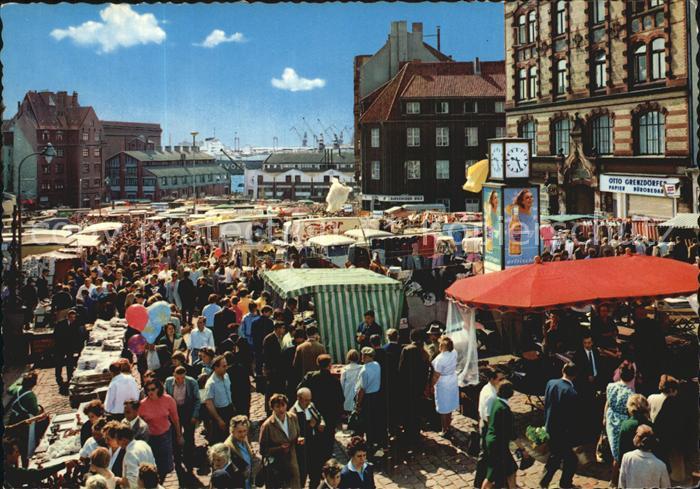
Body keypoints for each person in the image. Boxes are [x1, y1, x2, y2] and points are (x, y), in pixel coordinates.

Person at [298, 354, 344, 463]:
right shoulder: (334, 380)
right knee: (328, 440)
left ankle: (316, 458)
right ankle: (327, 460)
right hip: (329, 415)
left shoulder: (310, 376)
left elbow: (299, 389)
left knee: (315, 438)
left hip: (313, 413)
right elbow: (341, 399)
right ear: (330, 365)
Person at [540, 362, 579, 489]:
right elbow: (571, 418)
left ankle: (547, 481)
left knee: (556, 458)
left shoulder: (551, 383)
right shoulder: (571, 392)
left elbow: (546, 404)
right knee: (567, 460)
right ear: (575, 375)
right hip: (562, 433)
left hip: (549, 426)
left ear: (563, 370)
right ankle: (561, 483)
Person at [139, 378, 182, 482]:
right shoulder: (142, 405)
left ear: (158, 388)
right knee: (153, 463)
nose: (151, 392)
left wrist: (179, 435)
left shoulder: (168, 400)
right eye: (148, 390)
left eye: (153, 389)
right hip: (151, 437)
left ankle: (160, 480)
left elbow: (175, 418)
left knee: (165, 465)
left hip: (165, 435)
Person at [259, 393, 303, 489]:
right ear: (272, 408)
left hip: (292, 462)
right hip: (277, 466)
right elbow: (263, 450)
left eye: (283, 405)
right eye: (277, 406)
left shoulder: (293, 418)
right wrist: (279, 448)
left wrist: (298, 440)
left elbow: (297, 435)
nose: (281, 409)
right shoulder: (267, 426)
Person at [474, 367, 507, 489]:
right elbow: (488, 417)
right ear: (492, 379)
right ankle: (483, 482)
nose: (503, 381)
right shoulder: (491, 395)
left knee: (486, 455)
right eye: (500, 379)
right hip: (488, 427)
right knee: (486, 455)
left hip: (485, 424)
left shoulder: (489, 388)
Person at [482, 381, 519, 489]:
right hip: (498, 445)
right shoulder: (504, 409)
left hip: (494, 441)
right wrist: (522, 448)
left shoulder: (496, 402)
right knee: (491, 475)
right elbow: (512, 433)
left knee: (511, 469)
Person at [164, 366, 201, 471]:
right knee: (175, 436)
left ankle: (189, 460)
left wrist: (195, 415)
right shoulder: (168, 382)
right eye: (178, 378)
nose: (180, 381)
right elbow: (166, 398)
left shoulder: (192, 382)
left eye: (182, 378)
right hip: (174, 410)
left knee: (189, 437)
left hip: (187, 411)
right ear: (174, 375)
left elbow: (197, 400)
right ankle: (177, 461)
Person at [398, 328, 431, 445]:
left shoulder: (407, 350)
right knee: (416, 411)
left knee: (408, 411)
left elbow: (401, 371)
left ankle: (409, 434)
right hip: (419, 387)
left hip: (407, 387)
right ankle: (416, 433)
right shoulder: (424, 352)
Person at [3, 437, 77, 487]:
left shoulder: (7, 467)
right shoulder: (9, 471)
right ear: (7, 455)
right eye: (16, 452)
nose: (19, 454)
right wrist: (63, 464)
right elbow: (36, 474)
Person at [648, 375, 684, 480]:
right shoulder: (672, 402)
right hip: (666, 437)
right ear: (672, 389)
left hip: (652, 435)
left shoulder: (651, 397)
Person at [104, 422, 156, 489]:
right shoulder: (143, 444)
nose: (117, 442)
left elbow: (132, 483)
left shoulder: (130, 454)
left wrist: (118, 480)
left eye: (118, 440)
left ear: (124, 440)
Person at [292, 387, 326, 489]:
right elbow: (294, 433)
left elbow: (319, 415)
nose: (308, 402)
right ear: (299, 398)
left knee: (315, 473)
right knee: (302, 475)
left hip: (314, 445)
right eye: (306, 400)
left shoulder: (311, 405)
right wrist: (309, 426)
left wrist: (322, 422)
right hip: (302, 450)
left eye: (310, 399)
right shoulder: (293, 413)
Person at [7, 371, 43, 466]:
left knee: (15, 444)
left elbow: (9, 389)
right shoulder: (30, 396)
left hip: (13, 419)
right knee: (25, 447)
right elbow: (35, 412)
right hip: (24, 423)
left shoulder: (17, 389)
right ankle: (25, 467)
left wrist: (20, 380)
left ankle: (16, 465)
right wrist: (40, 408)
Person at [604, 364, 636, 466]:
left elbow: (608, 403)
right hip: (622, 423)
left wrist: (604, 417)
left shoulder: (610, 386)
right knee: (620, 450)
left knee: (613, 445)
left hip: (610, 418)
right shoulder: (631, 394)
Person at [572, 334, 601, 441]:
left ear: (592, 342)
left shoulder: (596, 352)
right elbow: (577, 371)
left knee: (593, 404)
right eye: (585, 343)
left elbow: (598, 365)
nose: (587, 345)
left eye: (589, 343)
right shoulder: (578, 354)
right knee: (585, 404)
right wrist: (586, 377)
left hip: (594, 382)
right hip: (583, 384)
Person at [356, 347, 385, 454]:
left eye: (363, 355)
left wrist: (358, 404)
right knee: (376, 420)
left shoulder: (364, 370)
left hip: (368, 398)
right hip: (377, 396)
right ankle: (378, 443)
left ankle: (370, 444)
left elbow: (361, 390)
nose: (361, 357)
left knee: (368, 422)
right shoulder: (377, 365)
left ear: (366, 356)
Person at [431, 336, 459, 436]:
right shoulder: (454, 352)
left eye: (440, 345)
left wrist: (430, 386)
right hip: (452, 379)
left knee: (443, 407)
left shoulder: (440, 359)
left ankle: (444, 429)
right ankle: (448, 425)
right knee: (450, 404)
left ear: (443, 346)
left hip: (443, 382)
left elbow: (436, 376)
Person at [54, 309, 87, 393]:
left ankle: (69, 377)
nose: (73, 319)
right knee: (59, 363)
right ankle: (58, 377)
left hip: (70, 347)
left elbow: (76, 335)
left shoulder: (75, 324)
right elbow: (56, 335)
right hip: (61, 346)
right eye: (71, 317)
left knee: (70, 362)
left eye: (74, 317)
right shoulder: (60, 324)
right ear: (68, 317)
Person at [204, 355, 235, 443]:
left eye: (226, 365)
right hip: (220, 412)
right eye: (223, 366)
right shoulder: (210, 384)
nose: (226, 368)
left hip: (229, 409)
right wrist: (219, 419)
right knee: (222, 440)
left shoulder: (226, 376)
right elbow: (209, 403)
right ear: (216, 368)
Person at [224, 415, 257, 489]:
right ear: (232, 431)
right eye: (239, 432)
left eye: (245, 431)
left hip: (247, 482)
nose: (243, 434)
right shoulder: (228, 447)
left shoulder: (244, 439)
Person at [618, 394, 653, 461]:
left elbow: (622, 448)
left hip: (630, 460)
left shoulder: (626, 425)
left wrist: (620, 463)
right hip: (648, 461)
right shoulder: (650, 425)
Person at [264, 321, 287, 415]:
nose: (284, 330)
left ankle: (279, 406)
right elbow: (267, 356)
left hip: (279, 369)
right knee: (271, 390)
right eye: (282, 328)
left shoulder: (281, 338)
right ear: (277, 329)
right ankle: (269, 409)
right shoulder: (269, 339)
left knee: (279, 389)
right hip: (273, 370)